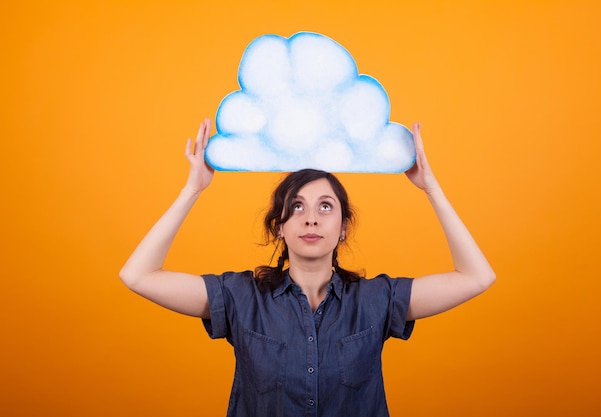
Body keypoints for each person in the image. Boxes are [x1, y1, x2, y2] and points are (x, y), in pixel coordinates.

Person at [119, 118, 496, 416]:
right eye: (297, 207)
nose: (311, 219)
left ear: (343, 226)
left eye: (325, 206)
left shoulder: (377, 300)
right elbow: (138, 276)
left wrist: (432, 188)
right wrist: (192, 189)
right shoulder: (240, 297)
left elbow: (477, 277)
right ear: (279, 225)